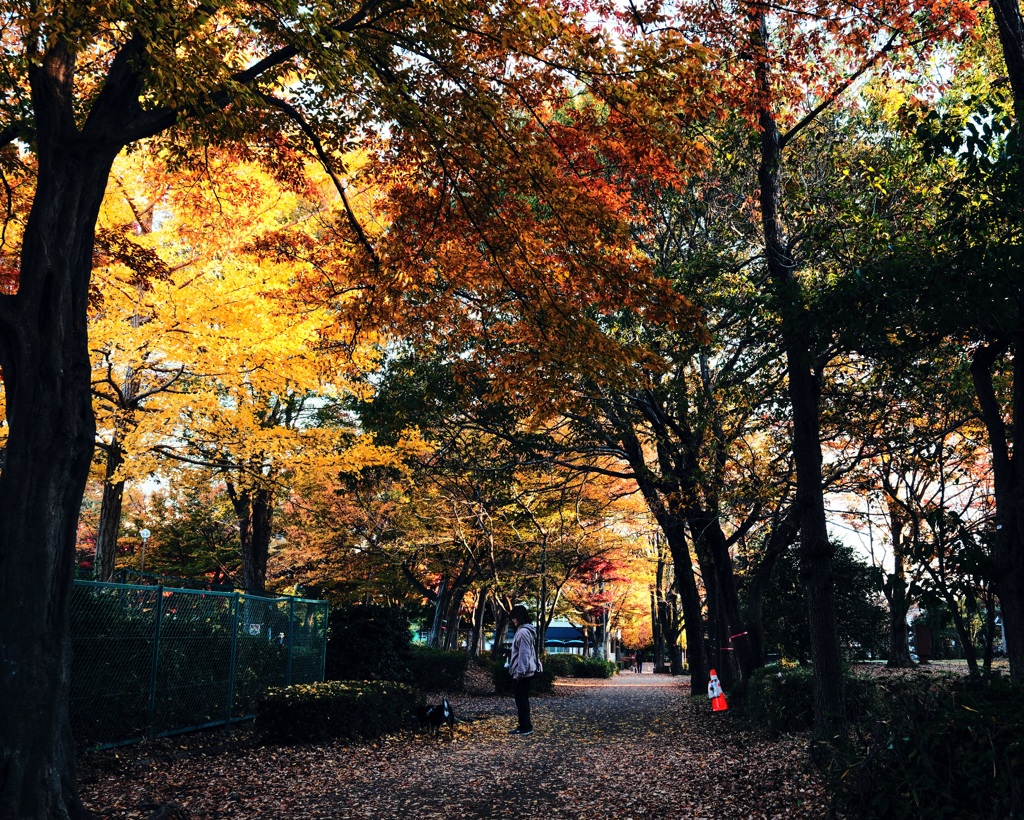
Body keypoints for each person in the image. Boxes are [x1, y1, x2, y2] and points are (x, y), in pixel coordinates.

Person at [508, 604, 539, 736]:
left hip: (523, 673)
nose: (513, 620)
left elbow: (524, 654)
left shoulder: (522, 633)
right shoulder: (527, 631)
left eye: (514, 617)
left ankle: (525, 726)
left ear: (519, 617)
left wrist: (519, 673)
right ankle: (524, 726)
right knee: (523, 699)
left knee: (521, 700)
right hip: (527, 671)